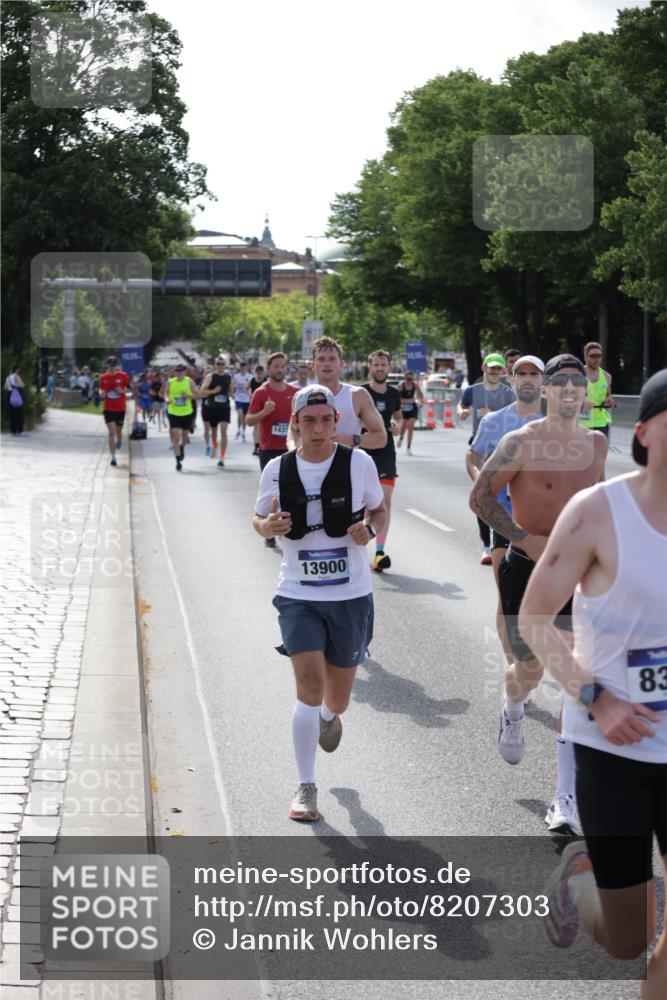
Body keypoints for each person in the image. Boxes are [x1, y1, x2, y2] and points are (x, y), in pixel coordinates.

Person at [518, 369, 667, 996]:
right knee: (630, 939)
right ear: (651, 430)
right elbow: (533, 619)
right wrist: (595, 697)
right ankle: (577, 883)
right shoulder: (599, 513)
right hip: (616, 752)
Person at [469, 354, 608, 835]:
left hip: (577, 575)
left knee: (574, 677)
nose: (570, 389)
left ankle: (564, 798)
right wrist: (523, 539)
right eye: (560, 382)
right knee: (528, 669)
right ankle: (512, 709)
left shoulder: (596, 444)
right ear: (545, 391)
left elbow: (603, 502)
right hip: (527, 568)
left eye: (578, 382)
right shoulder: (520, 442)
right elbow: (480, 498)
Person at [253, 385, 386, 822]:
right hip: (298, 593)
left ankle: (331, 715)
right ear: (295, 423)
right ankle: (306, 787)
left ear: (336, 422)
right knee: (308, 688)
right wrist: (267, 525)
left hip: (349, 594)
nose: (317, 429)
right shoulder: (277, 469)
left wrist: (369, 528)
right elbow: (258, 520)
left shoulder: (359, 463)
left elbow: (378, 511)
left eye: (325, 420)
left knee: (338, 698)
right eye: (308, 420)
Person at [466, 356, 544, 667]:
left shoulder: (557, 421)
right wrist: (483, 486)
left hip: (546, 521)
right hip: (504, 516)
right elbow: (473, 456)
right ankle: (514, 667)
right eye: (520, 374)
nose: (527, 379)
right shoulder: (494, 421)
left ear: (543, 381)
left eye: (533, 374)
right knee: (507, 597)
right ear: (511, 380)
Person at [460, 354, 516, 564]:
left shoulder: (509, 394)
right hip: (480, 445)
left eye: (498, 369)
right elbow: (462, 405)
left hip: (502, 447)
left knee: (505, 496)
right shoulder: (472, 391)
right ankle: (487, 545)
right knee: (482, 494)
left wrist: (492, 414)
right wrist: (463, 412)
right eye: (491, 368)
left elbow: (513, 414)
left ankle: (506, 539)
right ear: (484, 368)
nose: (494, 372)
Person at [247, 353, 297, 547]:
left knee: (291, 490)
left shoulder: (294, 392)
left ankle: (290, 526)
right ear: (269, 368)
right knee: (271, 491)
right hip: (268, 449)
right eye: (275, 366)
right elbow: (249, 421)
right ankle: (268, 529)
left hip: (291, 448)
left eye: (282, 366)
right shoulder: (261, 392)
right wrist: (264, 412)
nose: (279, 369)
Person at [361, 350, 402, 572]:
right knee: (366, 504)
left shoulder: (394, 393)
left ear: (388, 367)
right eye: (376, 365)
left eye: (383, 365)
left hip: (386, 452)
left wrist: (396, 425)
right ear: (370, 368)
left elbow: (398, 416)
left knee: (384, 501)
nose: (379, 368)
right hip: (364, 451)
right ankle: (360, 545)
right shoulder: (361, 393)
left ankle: (379, 552)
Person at [310, 335, 387, 452]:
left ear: (341, 364)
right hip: (312, 467)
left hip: (347, 467)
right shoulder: (302, 396)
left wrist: (351, 439)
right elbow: (293, 434)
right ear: (313, 365)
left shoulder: (357, 395)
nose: (327, 364)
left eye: (332, 359)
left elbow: (381, 438)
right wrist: (294, 448)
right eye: (321, 359)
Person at [165, 363, 198, 472]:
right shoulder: (170, 382)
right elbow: (165, 394)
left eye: (181, 371)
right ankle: (177, 461)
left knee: (184, 437)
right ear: (175, 372)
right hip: (173, 412)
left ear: (185, 372)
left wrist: (188, 396)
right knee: (175, 436)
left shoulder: (189, 381)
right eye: (177, 371)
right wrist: (167, 399)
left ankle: (182, 447)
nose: (179, 373)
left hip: (187, 412)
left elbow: (198, 395)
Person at [199, 358, 232, 466]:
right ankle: (214, 444)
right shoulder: (210, 377)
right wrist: (213, 391)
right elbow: (202, 391)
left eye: (222, 364)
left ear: (225, 365)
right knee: (213, 432)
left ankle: (222, 457)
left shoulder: (228, 377)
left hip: (224, 408)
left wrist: (232, 393)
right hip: (212, 408)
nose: (220, 366)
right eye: (218, 364)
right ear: (215, 365)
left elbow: (230, 391)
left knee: (223, 431)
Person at [99, 356, 130, 466]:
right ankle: (113, 457)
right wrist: (101, 392)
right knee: (111, 432)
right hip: (108, 408)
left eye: (113, 365)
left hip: (120, 408)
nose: (112, 367)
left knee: (118, 431)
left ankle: (120, 438)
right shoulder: (103, 377)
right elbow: (101, 388)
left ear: (116, 366)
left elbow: (128, 388)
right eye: (110, 365)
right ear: (107, 365)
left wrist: (122, 390)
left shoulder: (123, 376)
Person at [581, 341, 615, 439]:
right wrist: (582, 401)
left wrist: (609, 400)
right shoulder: (578, 375)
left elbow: (608, 395)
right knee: (583, 454)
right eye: (592, 356)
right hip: (583, 423)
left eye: (598, 356)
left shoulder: (607, 376)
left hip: (601, 423)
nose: (596, 359)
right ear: (586, 357)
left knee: (600, 454)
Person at [396, 372, 424, 454]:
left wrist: (420, 401)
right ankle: (401, 437)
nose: (410, 381)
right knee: (403, 426)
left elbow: (420, 395)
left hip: (412, 408)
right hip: (403, 408)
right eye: (408, 379)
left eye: (411, 379)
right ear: (405, 378)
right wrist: (404, 401)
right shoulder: (401, 386)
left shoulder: (415, 385)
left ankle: (408, 448)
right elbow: (396, 397)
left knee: (411, 426)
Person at [248, 364, 267, 455]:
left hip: (265, 405)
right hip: (255, 406)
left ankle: (262, 445)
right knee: (256, 426)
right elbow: (246, 388)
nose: (259, 375)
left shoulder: (266, 381)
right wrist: (251, 395)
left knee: (263, 426)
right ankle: (256, 446)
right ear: (255, 373)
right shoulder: (252, 381)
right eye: (258, 373)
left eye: (261, 373)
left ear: (263, 373)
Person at [4, 366, 26, 436]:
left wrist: (11, 388)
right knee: (19, 414)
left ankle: (13, 431)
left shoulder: (8, 377)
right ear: (17, 370)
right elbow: (21, 385)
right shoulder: (16, 376)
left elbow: (6, 387)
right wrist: (22, 384)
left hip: (10, 396)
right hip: (17, 395)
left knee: (12, 414)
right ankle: (20, 430)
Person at [232, 361, 251, 440]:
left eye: (245, 367)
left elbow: (251, 387)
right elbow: (233, 386)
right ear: (240, 368)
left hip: (247, 399)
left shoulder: (250, 376)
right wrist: (232, 394)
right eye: (242, 367)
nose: (243, 369)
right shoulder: (236, 376)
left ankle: (243, 432)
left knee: (244, 417)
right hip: (238, 398)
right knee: (239, 414)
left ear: (247, 368)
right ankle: (238, 429)